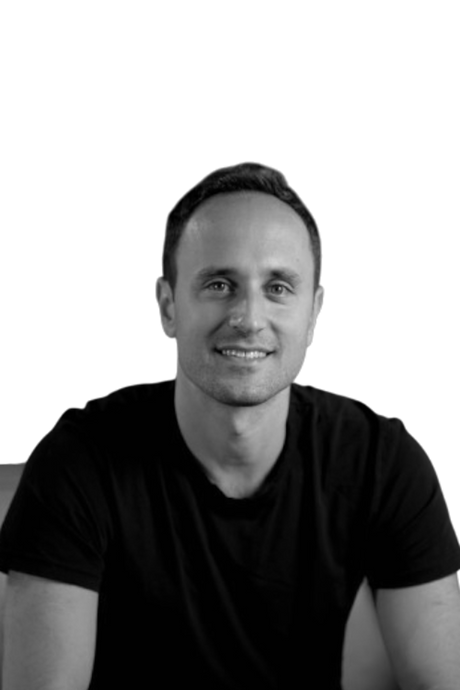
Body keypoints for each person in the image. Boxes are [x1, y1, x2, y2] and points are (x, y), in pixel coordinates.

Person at [1, 160, 459, 689]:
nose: (248, 318)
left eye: (278, 287)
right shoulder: (77, 462)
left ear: (314, 314)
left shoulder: (383, 462)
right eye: (219, 284)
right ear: (168, 307)